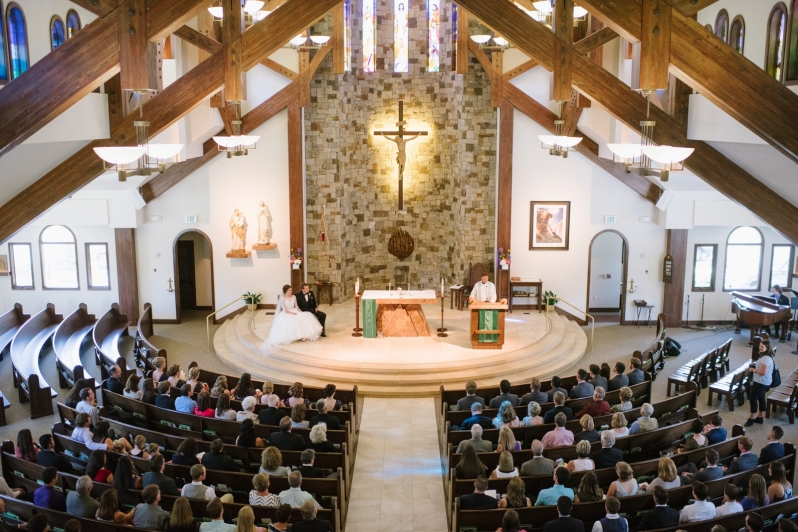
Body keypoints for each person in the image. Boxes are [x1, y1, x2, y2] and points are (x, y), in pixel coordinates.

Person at [262, 285, 324, 349]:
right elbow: (284, 309)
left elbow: (296, 306)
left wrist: (298, 310)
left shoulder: (294, 297)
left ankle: (302, 335)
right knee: (292, 320)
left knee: (305, 316)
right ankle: (294, 336)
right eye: (289, 290)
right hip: (287, 312)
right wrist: (291, 313)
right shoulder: (282, 298)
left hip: (294, 310)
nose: (291, 291)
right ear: (286, 291)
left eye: (291, 290)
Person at [747, 334, 775, 426]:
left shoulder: (766, 358)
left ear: (767, 348)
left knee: (753, 398)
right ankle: (760, 417)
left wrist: (753, 370)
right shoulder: (767, 356)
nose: (760, 348)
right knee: (761, 397)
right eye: (760, 346)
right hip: (765, 382)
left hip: (761, 382)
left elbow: (763, 372)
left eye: (762, 347)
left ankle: (751, 418)